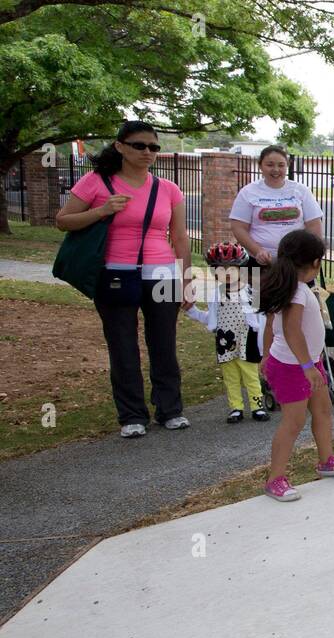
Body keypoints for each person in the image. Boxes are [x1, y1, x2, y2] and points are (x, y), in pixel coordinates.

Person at [56, 120, 193, 437]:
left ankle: (170, 409)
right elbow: (63, 222)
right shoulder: (96, 183)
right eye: (140, 146)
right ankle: (132, 415)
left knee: (164, 345)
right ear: (120, 147)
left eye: (154, 147)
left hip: (160, 273)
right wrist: (101, 211)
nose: (148, 152)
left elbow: (181, 238)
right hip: (115, 272)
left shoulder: (167, 189)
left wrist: (186, 280)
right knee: (122, 345)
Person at [229, 145, 334, 381]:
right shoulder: (249, 192)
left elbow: (314, 224)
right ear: (261, 166)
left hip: (298, 264)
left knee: (308, 312)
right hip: (263, 264)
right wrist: (257, 250)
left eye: (281, 165)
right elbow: (238, 227)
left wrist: (312, 253)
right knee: (267, 316)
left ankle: (316, 358)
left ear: (288, 166)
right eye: (270, 164)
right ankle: (268, 363)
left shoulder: (300, 190)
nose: (276, 169)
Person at [258, 230, 334, 502]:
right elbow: (290, 331)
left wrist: (269, 355)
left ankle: (326, 460)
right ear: (314, 263)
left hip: (306, 363)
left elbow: (271, 326)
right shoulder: (296, 292)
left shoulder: (287, 285)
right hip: (295, 366)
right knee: (294, 421)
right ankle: (275, 478)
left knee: (323, 410)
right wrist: (306, 366)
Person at [186, 242, 269, 423]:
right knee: (230, 377)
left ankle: (257, 406)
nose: (226, 274)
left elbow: (261, 317)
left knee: (250, 375)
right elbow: (211, 317)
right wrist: (192, 311)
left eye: (231, 269)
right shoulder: (216, 294)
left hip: (247, 340)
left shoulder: (250, 292)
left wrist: (263, 344)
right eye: (220, 270)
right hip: (225, 342)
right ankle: (236, 408)